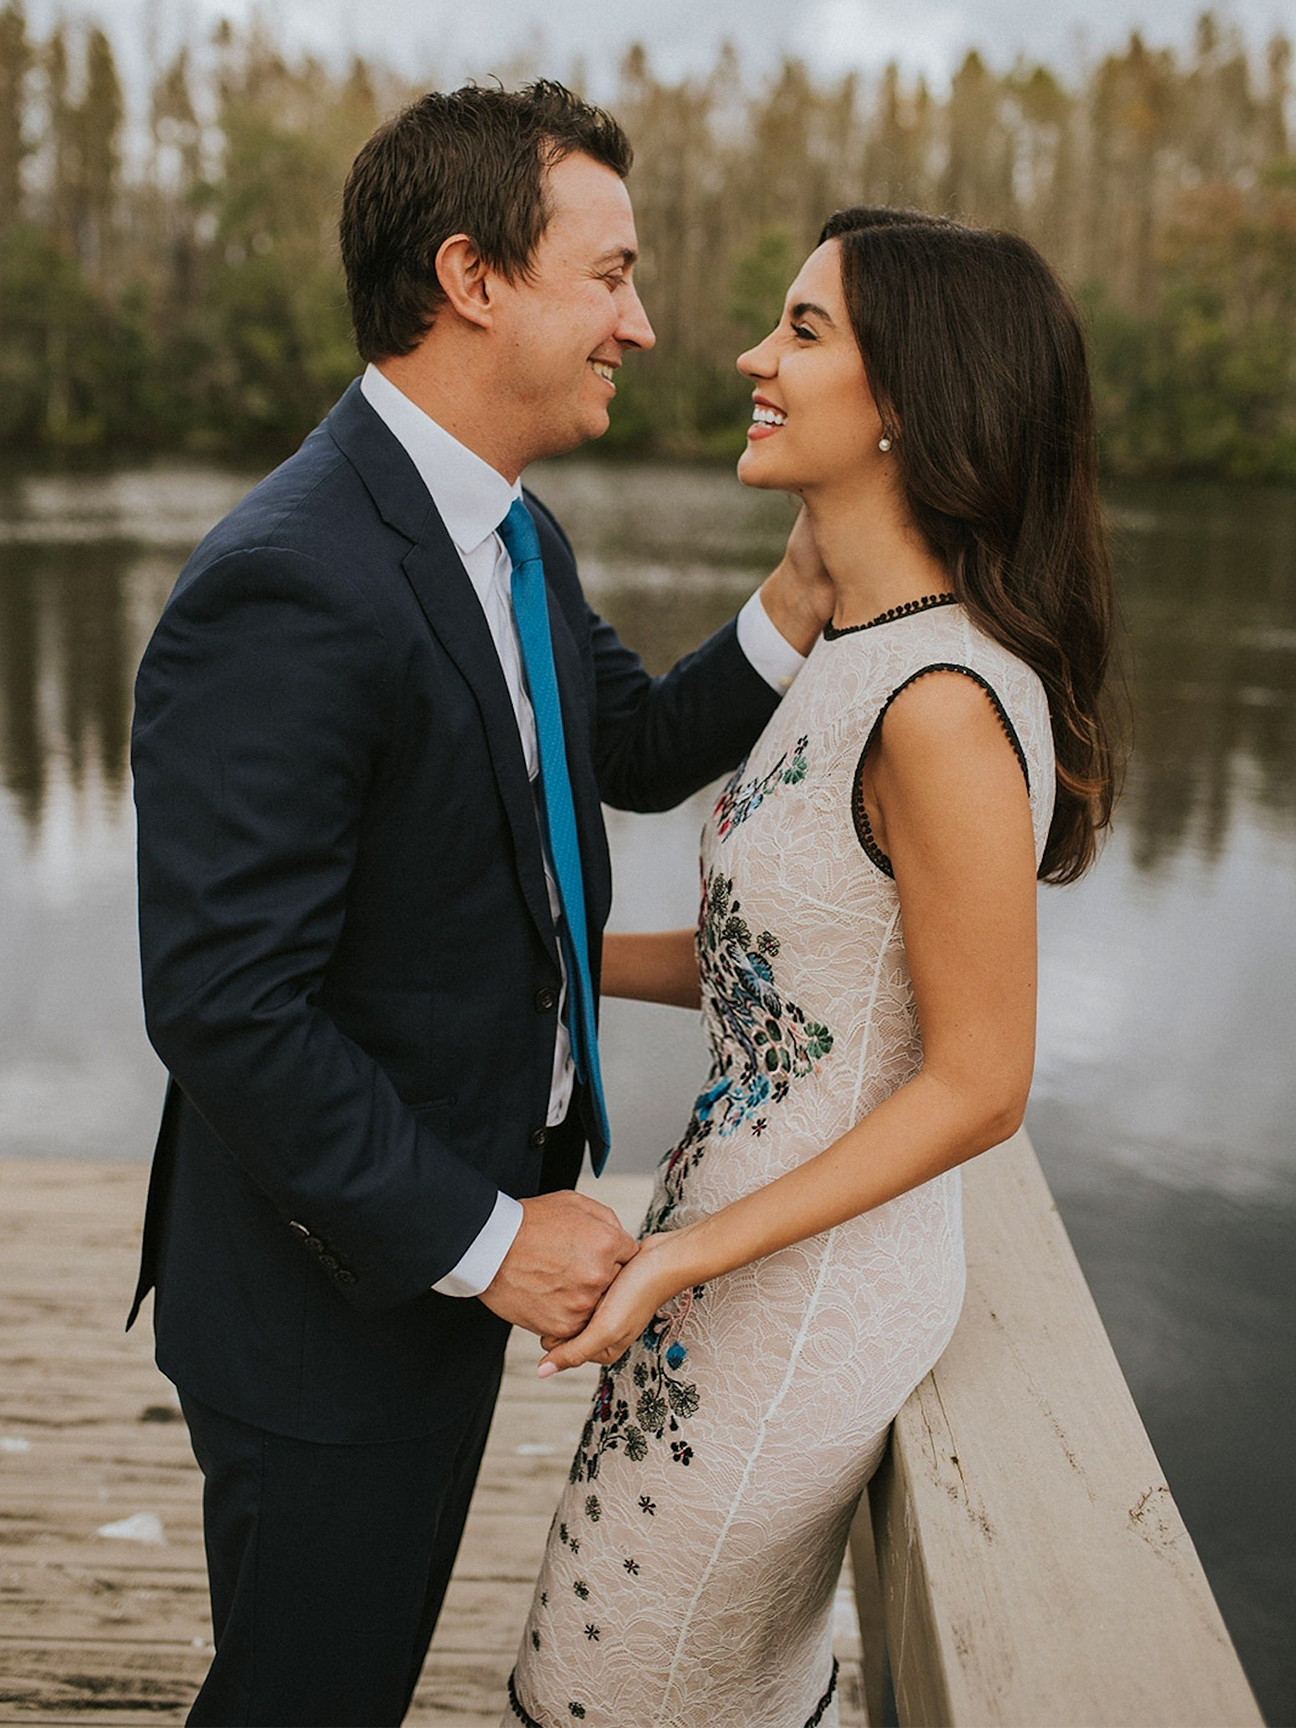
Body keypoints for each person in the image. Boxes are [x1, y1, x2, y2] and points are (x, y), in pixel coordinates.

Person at [127, 82, 831, 1727]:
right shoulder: (290, 577)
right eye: (611, 275)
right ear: (474, 277)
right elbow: (228, 1003)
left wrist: (812, 581)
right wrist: (493, 1242)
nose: (642, 324)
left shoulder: (508, 532)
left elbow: (640, 747)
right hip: (333, 1293)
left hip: (431, 1264)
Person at [506, 206, 1118, 1728]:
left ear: (906, 400)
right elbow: (777, 976)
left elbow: (980, 1084)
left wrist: (678, 1260)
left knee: (626, 1696)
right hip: (718, 1265)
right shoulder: (858, 650)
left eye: (803, 332)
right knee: (600, 1679)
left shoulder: (943, 700)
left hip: (793, 1295)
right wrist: (537, 959)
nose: (748, 357)